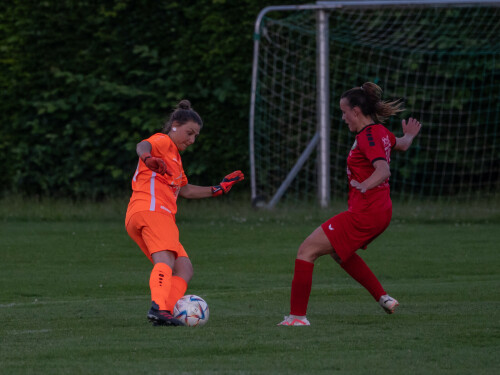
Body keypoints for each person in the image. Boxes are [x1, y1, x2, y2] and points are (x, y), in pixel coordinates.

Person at [279, 82, 421, 326]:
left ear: (356, 111)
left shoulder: (369, 136)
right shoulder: (381, 132)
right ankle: (383, 297)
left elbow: (383, 169)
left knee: (306, 251)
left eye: (344, 112)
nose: (343, 117)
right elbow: (403, 144)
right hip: (379, 212)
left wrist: (366, 185)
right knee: (339, 253)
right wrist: (408, 135)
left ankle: (297, 318)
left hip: (366, 212)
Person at [125, 100, 244, 326]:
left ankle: (165, 312)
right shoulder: (162, 141)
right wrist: (147, 159)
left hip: (145, 213)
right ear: (175, 125)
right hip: (152, 210)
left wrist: (217, 189)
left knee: (184, 268)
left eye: (195, 136)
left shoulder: (176, 160)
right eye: (189, 133)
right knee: (166, 260)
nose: (191, 140)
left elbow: (185, 189)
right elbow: (142, 145)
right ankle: (159, 308)